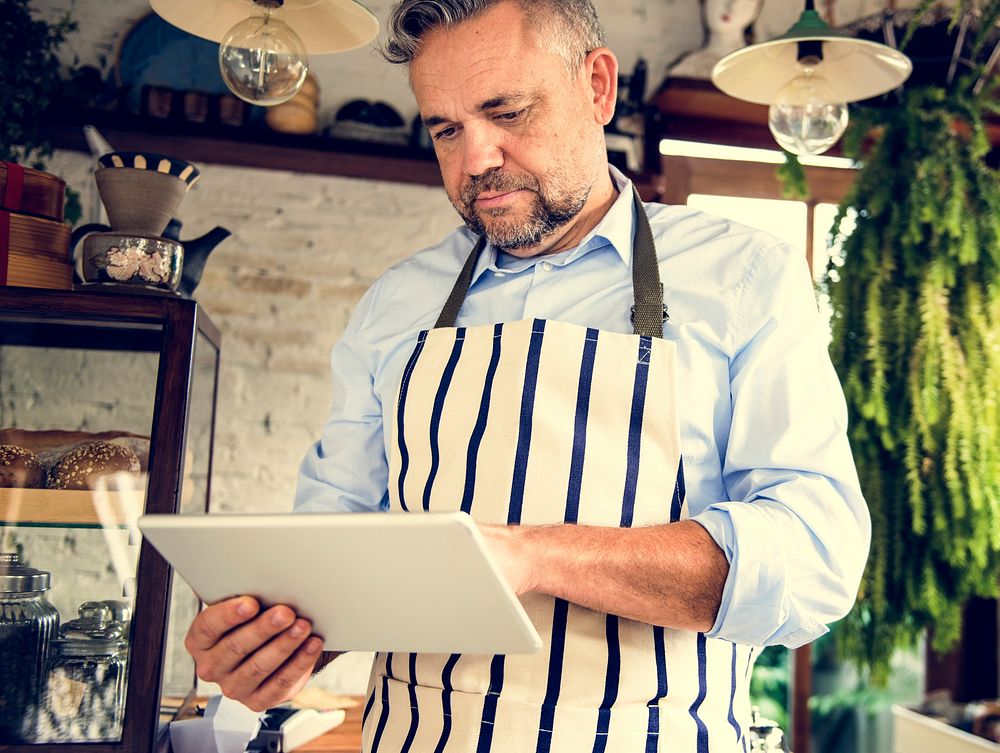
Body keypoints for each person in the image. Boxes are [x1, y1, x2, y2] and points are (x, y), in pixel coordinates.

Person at [183, 1, 870, 750]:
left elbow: (815, 561)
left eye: (505, 111)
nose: (475, 158)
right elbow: (332, 553)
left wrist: (534, 554)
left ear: (598, 87)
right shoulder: (398, 303)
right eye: (445, 128)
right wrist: (276, 638)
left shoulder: (740, 276)